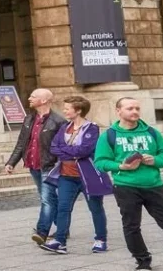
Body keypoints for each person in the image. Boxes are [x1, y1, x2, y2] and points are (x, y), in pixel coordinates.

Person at [95, 95, 163, 271]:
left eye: (137, 108)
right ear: (118, 111)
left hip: (154, 186)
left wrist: (153, 160)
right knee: (132, 226)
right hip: (126, 187)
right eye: (129, 108)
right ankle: (143, 262)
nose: (134, 112)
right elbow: (100, 162)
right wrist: (121, 166)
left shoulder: (151, 132)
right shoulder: (109, 135)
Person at [43, 95, 112, 255]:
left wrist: (66, 151)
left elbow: (84, 150)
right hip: (66, 175)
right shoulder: (64, 127)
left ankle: (101, 240)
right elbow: (54, 147)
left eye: (67, 108)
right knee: (63, 208)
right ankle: (60, 241)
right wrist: (71, 153)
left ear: (78, 110)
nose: (64, 111)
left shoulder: (92, 128)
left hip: (88, 175)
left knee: (95, 208)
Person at [3, 88, 64, 246]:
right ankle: (63, 227)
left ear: (43, 100)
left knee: (46, 199)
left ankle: (41, 232)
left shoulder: (58, 121)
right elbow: (21, 143)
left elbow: (62, 147)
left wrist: (60, 166)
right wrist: (11, 162)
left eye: (33, 96)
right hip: (33, 165)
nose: (29, 98)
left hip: (49, 166)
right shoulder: (29, 119)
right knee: (49, 198)